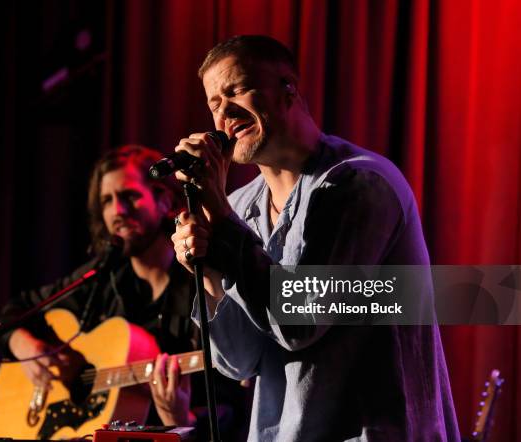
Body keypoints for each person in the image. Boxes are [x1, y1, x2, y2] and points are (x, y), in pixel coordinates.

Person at [171, 35, 460, 441]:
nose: (224, 113)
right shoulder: (238, 205)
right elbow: (238, 361)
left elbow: (301, 321)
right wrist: (207, 271)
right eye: (214, 103)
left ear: (288, 89)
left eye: (236, 90)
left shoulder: (358, 184)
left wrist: (220, 220)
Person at [1, 144, 247, 437]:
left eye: (129, 196)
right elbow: (16, 311)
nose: (117, 211)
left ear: (163, 199)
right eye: (106, 201)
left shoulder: (203, 280)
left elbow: (232, 411)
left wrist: (182, 421)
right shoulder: (103, 278)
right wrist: (23, 344)